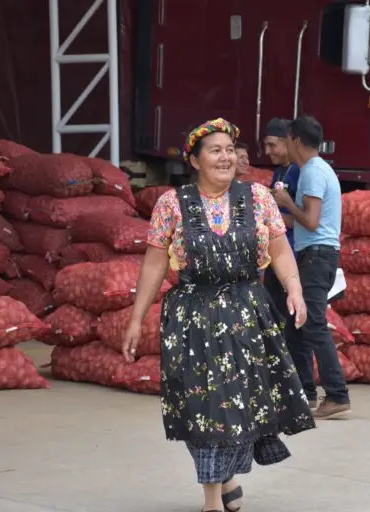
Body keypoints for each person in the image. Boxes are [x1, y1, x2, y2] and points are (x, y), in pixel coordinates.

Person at [122, 118, 315, 512]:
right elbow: (154, 265)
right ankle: (213, 500)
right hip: (193, 320)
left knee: (237, 407)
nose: (226, 157)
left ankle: (225, 477)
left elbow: (279, 250)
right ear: (194, 160)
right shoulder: (171, 205)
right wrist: (136, 318)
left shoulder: (259, 198)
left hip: (246, 315)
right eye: (215, 150)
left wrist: (294, 288)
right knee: (204, 408)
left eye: (230, 150)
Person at [270, 115, 351, 420]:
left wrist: (285, 201)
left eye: (287, 140)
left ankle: (337, 394)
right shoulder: (316, 170)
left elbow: (311, 220)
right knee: (297, 324)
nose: (286, 147)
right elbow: (305, 223)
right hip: (313, 253)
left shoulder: (312, 172)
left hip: (317, 257)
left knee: (314, 323)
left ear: (297, 142)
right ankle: (303, 392)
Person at [263, 118, 301, 353]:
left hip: (293, 254)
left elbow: (306, 219)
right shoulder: (278, 172)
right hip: (273, 254)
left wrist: (275, 222)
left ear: (288, 143)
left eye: (272, 145)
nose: (267, 151)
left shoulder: (299, 172)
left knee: (288, 316)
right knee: (272, 312)